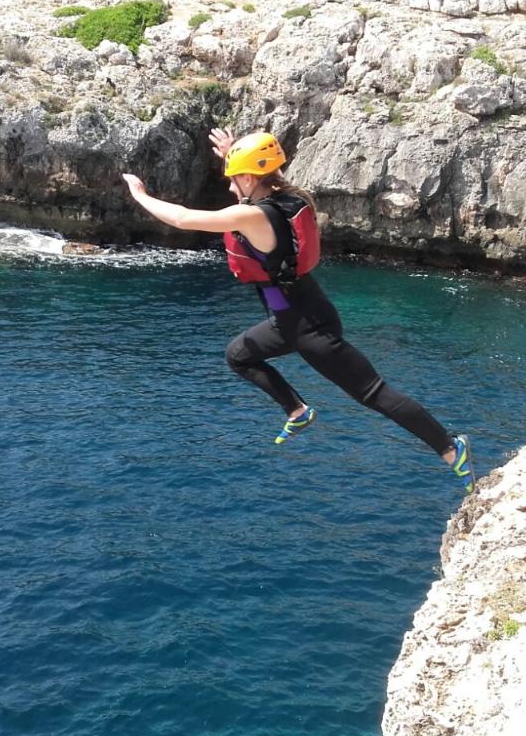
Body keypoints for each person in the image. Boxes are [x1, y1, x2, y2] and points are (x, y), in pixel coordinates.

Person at [121, 128, 476, 493]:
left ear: (248, 178)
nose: (229, 189)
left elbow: (181, 218)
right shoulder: (287, 198)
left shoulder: (255, 217)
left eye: (233, 180)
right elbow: (261, 179)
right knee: (238, 356)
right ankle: (297, 411)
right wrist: (233, 155)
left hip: (309, 327)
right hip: (292, 317)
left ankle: (450, 447)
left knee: (374, 393)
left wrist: (140, 194)